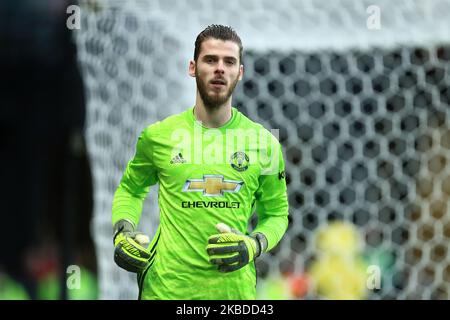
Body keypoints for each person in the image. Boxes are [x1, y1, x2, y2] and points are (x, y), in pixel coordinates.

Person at [111, 24, 289, 299]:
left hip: (233, 294)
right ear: (192, 68)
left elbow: (276, 214)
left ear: (239, 73)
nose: (220, 68)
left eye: (229, 61)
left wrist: (254, 245)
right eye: (210, 60)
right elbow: (131, 189)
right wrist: (123, 231)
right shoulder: (159, 136)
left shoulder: (264, 143)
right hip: (165, 290)